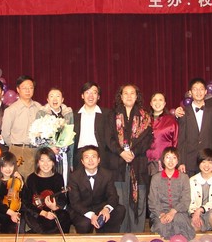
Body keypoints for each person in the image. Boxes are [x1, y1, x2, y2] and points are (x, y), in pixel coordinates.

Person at [108, 84, 153, 233]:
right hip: (118, 164)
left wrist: (133, 152)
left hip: (138, 164)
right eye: (125, 93)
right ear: (120, 97)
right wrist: (121, 152)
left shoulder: (145, 117)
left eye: (132, 93)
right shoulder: (112, 115)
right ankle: (121, 238)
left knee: (138, 202)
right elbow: (108, 138)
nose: (128, 96)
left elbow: (148, 139)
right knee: (120, 202)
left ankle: (137, 235)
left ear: (136, 96)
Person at [67, 145, 126, 233]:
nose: (90, 160)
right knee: (84, 223)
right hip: (82, 209)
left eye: (93, 157)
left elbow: (113, 196)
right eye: (87, 157)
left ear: (99, 160)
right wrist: (91, 215)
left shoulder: (107, 174)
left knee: (120, 210)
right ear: (82, 161)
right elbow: (75, 203)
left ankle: (107, 235)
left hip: (101, 208)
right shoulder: (74, 177)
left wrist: (106, 209)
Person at [148, 147, 195, 240]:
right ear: (163, 160)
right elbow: (152, 200)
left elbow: (185, 200)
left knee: (180, 223)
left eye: (174, 157)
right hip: (160, 213)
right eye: (167, 157)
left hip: (179, 212)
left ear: (177, 161)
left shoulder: (184, 178)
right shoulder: (156, 178)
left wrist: (173, 212)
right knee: (162, 226)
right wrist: (161, 214)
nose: (171, 161)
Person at [22, 147, 71, 234]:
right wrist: (44, 213)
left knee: (65, 216)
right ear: (38, 162)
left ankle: (39, 234)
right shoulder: (31, 178)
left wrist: (55, 207)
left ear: (53, 162)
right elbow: (27, 203)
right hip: (37, 212)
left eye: (49, 160)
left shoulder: (58, 177)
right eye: (42, 160)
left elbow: (62, 199)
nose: (46, 164)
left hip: (53, 210)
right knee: (35, 220)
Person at [1, 75, 43, 177]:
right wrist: (16, 146)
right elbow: (5, 134)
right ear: (18, 89)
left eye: (31, 87)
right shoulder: (11, 110)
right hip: (18, 151)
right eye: (24, 88)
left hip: (37, 151)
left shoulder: (40, 108)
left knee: (35, 181)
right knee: (18, 182)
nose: (28, 90)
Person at [176, 79, 212, 176]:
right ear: (190, 93)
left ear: (205, 91)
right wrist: (181, 162)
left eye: (201, 89)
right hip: (189, 161)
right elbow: (181, 139)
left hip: (208, 160)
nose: (198, 92)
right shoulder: (184, 112)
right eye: (195, 89)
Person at [35, 87, 74, 186]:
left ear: (62, 99)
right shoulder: (41, 113)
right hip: (47, 155)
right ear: (47, 100)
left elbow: (72, 138)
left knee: (63, 181)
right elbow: (37, 135)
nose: (55, 99)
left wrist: (71, 161)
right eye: (51, 96)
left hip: (64, 155)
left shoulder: (68, 114)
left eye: (58, 96)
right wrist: (50, 148)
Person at [73, 82, 111, 169]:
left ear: (98, 96)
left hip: (100, 155)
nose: (91, 96)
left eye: (94, 92)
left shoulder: (107, 114)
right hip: (79, 156)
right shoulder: (74, 115)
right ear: (82, 96)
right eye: (87, 92)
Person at [189, 148, 212, 232]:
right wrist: (194, 214)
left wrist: (201, 209)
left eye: (210, 162)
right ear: (199, 163)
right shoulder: (192, 180)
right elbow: (191, 201)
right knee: (193, 226)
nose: (206, 165)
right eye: (203, 162)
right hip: (198, 214)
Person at [0, 152, 24, 233]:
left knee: (20, 221)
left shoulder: (18, 179)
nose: (8, 169)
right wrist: (11, 213)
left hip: (16, 210)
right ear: (0, 167)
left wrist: (22, 182)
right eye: (5, 166)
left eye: (11, 166)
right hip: (1, 213)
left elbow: (24, 198)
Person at [147, 92, 179, 176]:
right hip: (146, 162)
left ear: (164, 103)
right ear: (150, 103)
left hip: (163, 162)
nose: (157, 102)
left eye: (160, 100)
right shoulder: (145, 120)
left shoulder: (171, 121)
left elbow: (176, 142)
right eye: (154, 100)